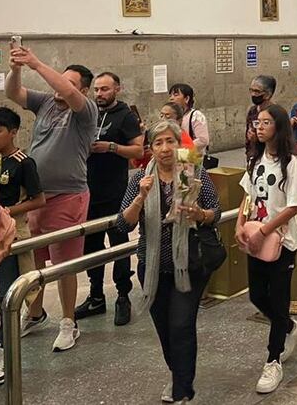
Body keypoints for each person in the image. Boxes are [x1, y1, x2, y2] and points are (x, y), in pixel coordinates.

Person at [116, 120, 220, 403]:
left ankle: (183, 390)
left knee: (181, 325)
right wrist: (141, 198)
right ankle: (177, 374)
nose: (164, 149)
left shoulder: (192, 172)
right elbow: (122, 225)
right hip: (152, 266)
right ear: (150, 149)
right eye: (158, 143)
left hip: (188, 263)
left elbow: (216, 212)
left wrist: (200, 214)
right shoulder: (141, 178)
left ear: (179, 144)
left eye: (170, 142)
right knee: (164, 328)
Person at [4, 47, 98, 352]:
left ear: (83, 89)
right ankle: (35, 312)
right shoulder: (45, 103)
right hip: (36, 197)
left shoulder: (85, 111)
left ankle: (69, 322)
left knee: (63, 264)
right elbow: (13, 92)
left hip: (68, 195)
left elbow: (67, 91)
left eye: (67, 81)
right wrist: (17, 67)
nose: (57, 85)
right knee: (35, 258)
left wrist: (35, 62)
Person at [236, 105, 297, 394]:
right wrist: (241, 223)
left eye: (266, 122)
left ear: (278, 127)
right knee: (257, 295)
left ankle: (273, 359)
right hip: (256, 238)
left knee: (278, 300)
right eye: (258, 122)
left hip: (282, 241)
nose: (259, 126)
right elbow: (248, 195)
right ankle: (289, 327)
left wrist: (265, 229)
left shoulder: (290, 162)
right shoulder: (255, 159)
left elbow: (294, 205)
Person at [0, 107, 45, 386]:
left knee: (8, 294)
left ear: (13, 132)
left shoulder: (24, 162)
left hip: (11, 234)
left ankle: (5, 347)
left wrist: (7, 209)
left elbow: (39, 200)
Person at [75, 72, 144, 326]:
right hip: (88, 191)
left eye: (105, 89)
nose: (99, 94)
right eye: (96, 89)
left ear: (117, 89)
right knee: (91, 245)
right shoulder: (89, 113)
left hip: (115, 192)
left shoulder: (125, 116)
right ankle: (95, 295)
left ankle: (123, 295)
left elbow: (138, 150)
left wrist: (111, 147)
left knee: (118, 244)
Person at [170, 83, 210, 155]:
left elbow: (203, 140)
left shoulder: (196, 116)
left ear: (186, 99)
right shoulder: (173, 115)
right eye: (171, 95)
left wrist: (181, 148)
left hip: (193, 158)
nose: (171, 98)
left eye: (175, 95)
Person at [246, 75, 277, 165]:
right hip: (253, 157)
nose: (253, 94)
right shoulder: (252, 111)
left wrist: (258, 139)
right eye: (251, 90)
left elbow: (279, 139)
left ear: (268, 94)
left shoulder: (276, 113)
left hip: (270, 159)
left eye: (257, 91)